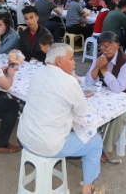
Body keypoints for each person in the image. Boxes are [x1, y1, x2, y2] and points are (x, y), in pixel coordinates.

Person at [18, 43, 104, 194]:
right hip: (47, 145)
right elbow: (82, 111)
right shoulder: (69, 82)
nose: (75, 62)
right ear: (59, 61)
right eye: (71, 58)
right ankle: (87, 189)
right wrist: (74, 85)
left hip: (24, 136)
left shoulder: (38, 72)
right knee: (95, 142)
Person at [84, 31, 126, 162]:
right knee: (88, 104)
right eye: (102, 46)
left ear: (117, 45)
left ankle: (107, 150)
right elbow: (89, 81)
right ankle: (89, 141)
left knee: (118, 116)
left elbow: (118, 88)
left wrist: (104, 70)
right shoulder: (100, 57)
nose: (106, 49)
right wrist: (97, 66)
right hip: (108, 94)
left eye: (109, 45)